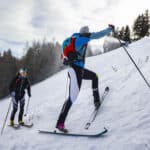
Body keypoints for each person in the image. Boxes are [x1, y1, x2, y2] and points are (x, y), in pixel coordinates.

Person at [56, 25, 115, 132]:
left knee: (94, 76)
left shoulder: (74, 38)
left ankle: (96, 101)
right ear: (85, 33)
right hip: (75, 71)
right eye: (87, 32)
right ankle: (60, 123)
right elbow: (98, 35)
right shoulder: (82, 39)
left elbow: (64, 52)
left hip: (79, 70)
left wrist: (65, 58)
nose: (88, 34)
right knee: (72, 97)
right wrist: (109, 29)